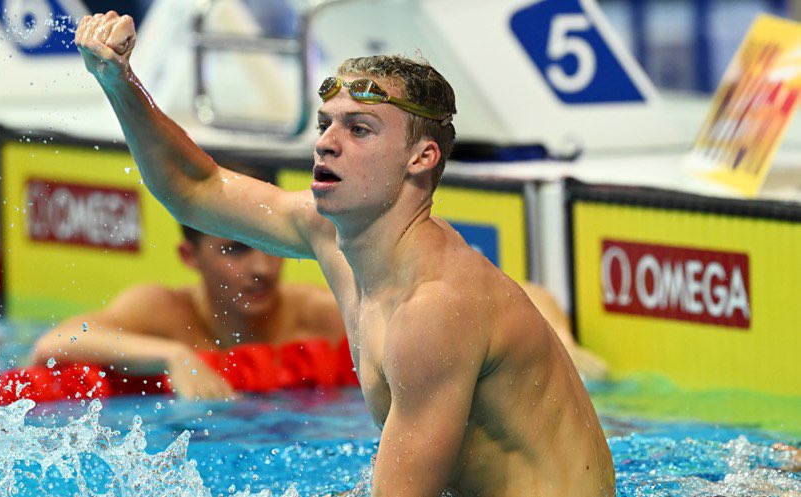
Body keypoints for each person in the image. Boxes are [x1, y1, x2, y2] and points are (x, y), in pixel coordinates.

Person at [74, 11, 615, 496]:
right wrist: (117, 82)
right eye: (326, 124)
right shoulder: (330, 234)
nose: (327, 142)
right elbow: (195, 187)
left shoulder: (434, 309)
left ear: (421, 158)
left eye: (359, 129)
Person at [31, 223, 345, 400]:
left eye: (272, 245)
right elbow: (55, 342)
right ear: (189, 256)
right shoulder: (162, 312)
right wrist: (173, 356)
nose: (263, 268)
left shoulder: (319, 315)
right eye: (236, 249)